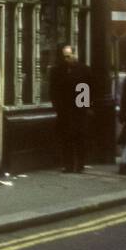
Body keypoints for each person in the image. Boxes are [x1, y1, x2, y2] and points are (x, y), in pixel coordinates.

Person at [49, 44, 91, 173]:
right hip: (64, 110)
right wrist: (57, 107)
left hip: (78, 110)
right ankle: (68, 165)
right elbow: (54, 90)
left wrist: (84, 108)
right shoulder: (57, 71)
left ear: (74, 54)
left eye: (68, 56)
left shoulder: (83, 69)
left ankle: (80, 165)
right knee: (66, 138)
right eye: (64, 57)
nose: (66, 59)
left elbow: (86, 88)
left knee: (80, 137)